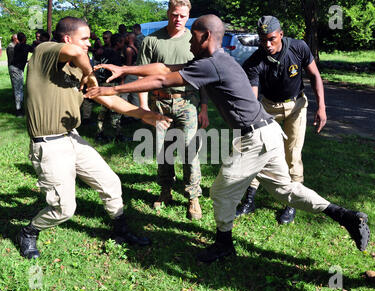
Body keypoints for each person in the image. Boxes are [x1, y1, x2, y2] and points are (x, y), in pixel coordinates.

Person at [85, 14, 370, 263]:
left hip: (255, 139)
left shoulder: (210, 64)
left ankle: (223, 246)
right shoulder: (214, 60)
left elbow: (161, 81)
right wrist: (125, 70)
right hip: (268, 131)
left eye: (193, 38)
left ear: (206, 36)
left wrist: (113, 92)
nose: (189, 43)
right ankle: (345, 215)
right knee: (286, 191)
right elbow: (162, 69)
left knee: (220, 192)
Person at [17, 16, 172, 260]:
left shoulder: (78, 69)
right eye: (85, 38)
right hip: (49, 144)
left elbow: (107, 98)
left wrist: (146, 115)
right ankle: (29, 231)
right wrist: (89, 73)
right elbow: (75, 53)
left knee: (111, 183)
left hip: (72, 138)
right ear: (68, 38)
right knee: (64, 209)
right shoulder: (44, 52)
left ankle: (120, 229)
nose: (89, 44)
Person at [237, 16, 328, 225]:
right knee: (259, 150)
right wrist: (250, 124)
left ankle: (291, 204)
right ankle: (249, 200)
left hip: (296, 106)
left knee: (292, 154)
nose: (267, 45)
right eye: (262, 40)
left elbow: (315, 76)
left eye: (271, 39)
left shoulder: (299, 48)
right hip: (268, 107)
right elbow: (252, 98)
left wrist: (321, 107)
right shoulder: (254, 62)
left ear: (281, 34)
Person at [136, 0, 208, 220]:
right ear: (168, 13)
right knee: (163, 150)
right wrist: (142, 107)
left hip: (187, 102)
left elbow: (204, 76)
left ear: (189, 16)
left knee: (189, 151)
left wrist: (204, 107)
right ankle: (166, 190)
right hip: (159, 103)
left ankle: (193, 197)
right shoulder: (151, 40)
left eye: (183, 16)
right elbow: (142, 75)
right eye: (175, 14)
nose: (178, 19)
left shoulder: (193, 40)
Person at [95, 33, 128, 143]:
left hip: (102, 84)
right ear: (118, 43)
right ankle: (118, 134)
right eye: (122, 42)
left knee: (103, 111)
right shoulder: (116, 55)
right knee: (116, 110)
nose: (124, 44)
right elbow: (120, 72)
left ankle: (99, 133)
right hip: (112, 85)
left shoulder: (105, 51)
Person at [9, 32, 34, 117]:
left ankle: (20, 108)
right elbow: (33, 49)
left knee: (19, 89)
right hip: (16, 69)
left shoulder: (18, 46)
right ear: (23, 38)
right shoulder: (23, 46)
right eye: (24, 37)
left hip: (17, 68)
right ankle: (18, 110)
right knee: (18, 89)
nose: (25, 38)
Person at [6, 34, 19, 99]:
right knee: (15, 83)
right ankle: (16, 98)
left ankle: (17, 97)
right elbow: (12, 59)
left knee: (17, 83)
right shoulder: (11, 46)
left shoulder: (15, 46)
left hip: (16, 67)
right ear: (15, 39)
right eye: (18, 38)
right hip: (13, 67)